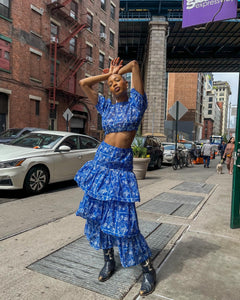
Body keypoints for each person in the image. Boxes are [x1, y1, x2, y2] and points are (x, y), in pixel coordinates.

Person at [74, 57, 156, 296]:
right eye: (111, 84)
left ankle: (148, 269)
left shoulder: (137, 104)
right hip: (100, 166)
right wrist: (107, 75)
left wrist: (119, 70)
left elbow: (135, 65)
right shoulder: (106, 107)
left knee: (127, 224)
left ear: (127, 83)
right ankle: (109, 260)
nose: (114, 84)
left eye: (118, 81)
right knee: (99, 217)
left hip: (120, 170)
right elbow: (83, 83)